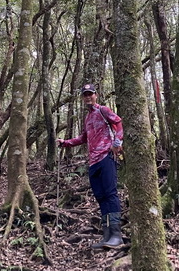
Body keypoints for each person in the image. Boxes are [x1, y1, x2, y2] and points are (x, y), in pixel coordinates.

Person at [58, 83, 124, 249]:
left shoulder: (104, 110)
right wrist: (65, 143)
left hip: (106, 157)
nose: (88, 97)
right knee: (100, 197)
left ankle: (116, 235)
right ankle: (107, 235)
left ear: (96, 95)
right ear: (82, 98)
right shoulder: (87, 118)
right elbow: (83, 138)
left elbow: (119, 123)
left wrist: (117, 143)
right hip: (93, 161)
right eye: (85, 95)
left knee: (110, 193)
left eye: (90, 94)